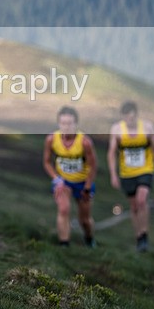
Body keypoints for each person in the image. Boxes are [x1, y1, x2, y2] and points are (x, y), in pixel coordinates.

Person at [107, 101, 154, 252]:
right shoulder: (117, 130)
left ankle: (144, 234)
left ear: (136, 115)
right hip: (127, 173)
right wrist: (113, 174)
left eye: (133, 116)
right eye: (127, 116)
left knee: (142, 200)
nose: (130, 119)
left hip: (145, 170)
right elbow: (112, 153)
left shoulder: (147, 128)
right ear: (123, 116)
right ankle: (139, 236)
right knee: (134, 206)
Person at [43, 106, 98, 248]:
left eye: (69, 123)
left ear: (76, 124)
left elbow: (93, 166)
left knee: (84, 219)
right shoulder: (51, 139)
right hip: (64, 181)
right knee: (63, 209)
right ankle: (64, 244)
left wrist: (87, 187)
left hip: (83, 182)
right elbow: (47, 162)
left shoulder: (85, 142)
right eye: (63, 123)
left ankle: (89, 239)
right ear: (58, 123)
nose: (66, 127)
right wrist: (56, 179)